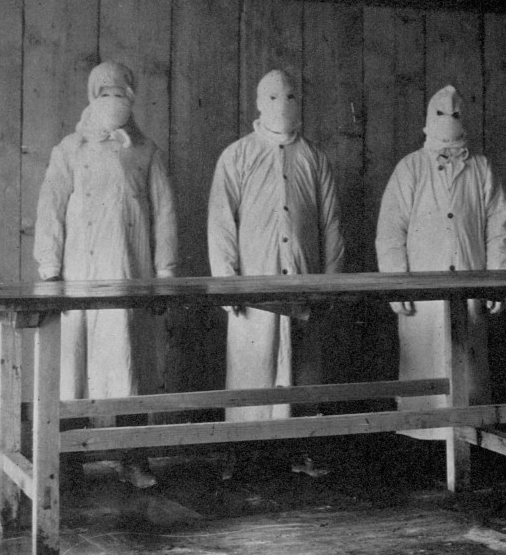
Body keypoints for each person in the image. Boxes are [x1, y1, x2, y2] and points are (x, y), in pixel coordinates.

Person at [34, 61, 178, 490]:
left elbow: (165, 213)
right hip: (78, 274)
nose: (112, 98)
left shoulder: (146, 152)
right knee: (73, 368)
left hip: (128, 272)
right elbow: (50, 208)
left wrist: (165, 271)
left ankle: (133, 457)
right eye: (104, 90)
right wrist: (49, 266)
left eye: (120, 90)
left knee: (128, 365)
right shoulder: (69, 150)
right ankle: (69, 459)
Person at [207, 68, 344, 477]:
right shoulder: (238, 155)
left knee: (303, 371)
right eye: (271, 97)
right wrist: (228, 283)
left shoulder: (314, 158)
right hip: (254, 289)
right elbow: (220, 222)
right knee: (252, 367)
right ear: (257, 104)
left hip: (305, 283)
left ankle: (302, 449)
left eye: (288, 96)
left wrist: (331, 284)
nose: (280, 105)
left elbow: (331, 224)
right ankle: (243, 451)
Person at [375, 84, 506, 435]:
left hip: (471, 284)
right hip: (423, 294)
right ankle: (422, 442)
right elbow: (391, 231)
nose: (448, 119)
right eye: (440, 113)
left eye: (455, 113)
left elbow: (499, 225)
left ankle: (470, 440)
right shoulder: (410, 169)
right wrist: (396, 284)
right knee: (424, 366)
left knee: (469, 372)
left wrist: (499, 278)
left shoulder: (481, 168)